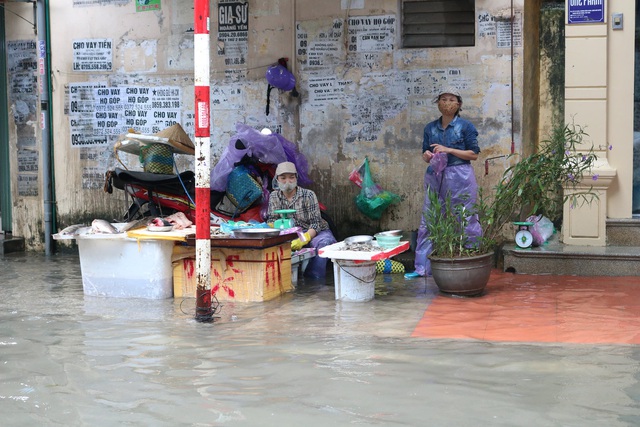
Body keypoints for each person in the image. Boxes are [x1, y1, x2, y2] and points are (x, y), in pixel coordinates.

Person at [405, 87, 482, 278]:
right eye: (443, 99)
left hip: (460, 176)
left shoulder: (465, 127)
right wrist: (427, 155)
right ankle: (423, 267)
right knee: (431, 218)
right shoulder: (430, 128)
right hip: (436, 176)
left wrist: (448, 150)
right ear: (438, 103)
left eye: (451, 99)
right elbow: (425, 154)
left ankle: (468, 262)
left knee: (465, 217)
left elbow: (474, 154)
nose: (447, 103)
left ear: (459, 104)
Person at [266, 161, 337, 278]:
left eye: (291, 177)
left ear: (296, 178)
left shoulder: (308, 195)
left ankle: (313, 281)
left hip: (313, 232)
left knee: (324, 243)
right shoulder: (274, 197)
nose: (287, 181)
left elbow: (316, 223)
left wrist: (304, 238)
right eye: (283, 178)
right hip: (289, 234)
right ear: (277, 179)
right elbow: (272, 220)